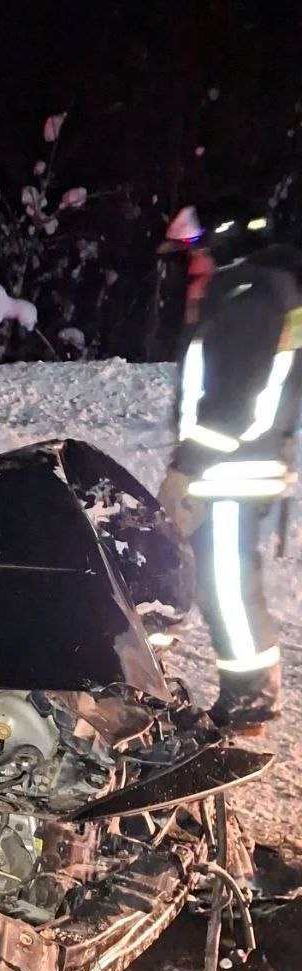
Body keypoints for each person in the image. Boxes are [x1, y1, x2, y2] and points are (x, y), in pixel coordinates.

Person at [158, 201, 302, 732]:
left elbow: (237, 403)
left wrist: (187, 465)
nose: (191, 267)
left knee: (227, 588)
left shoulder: (248, 299)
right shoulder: (247, 295)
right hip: (229, 469)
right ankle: (245, 698)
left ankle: (249, 703)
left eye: (197, 254)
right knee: (219, 585)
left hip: (228, 471)